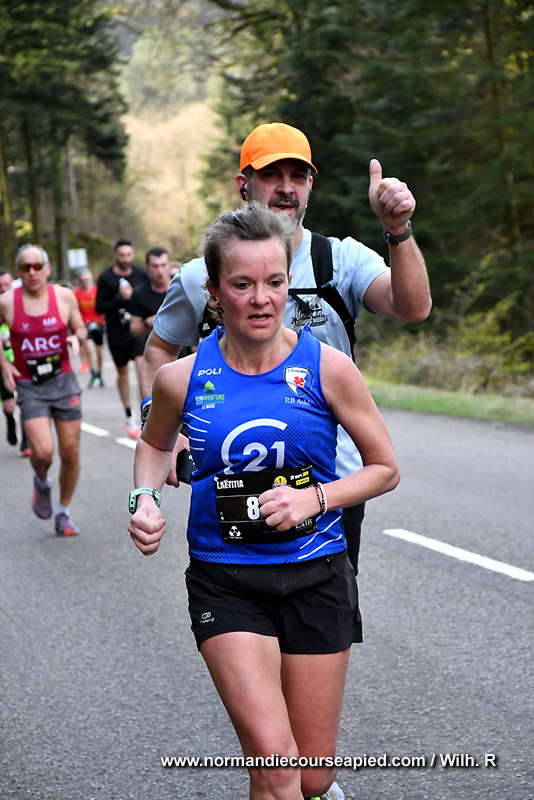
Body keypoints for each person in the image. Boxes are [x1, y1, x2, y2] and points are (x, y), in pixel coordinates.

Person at [128, 204, 400, 800]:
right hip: (226, 581)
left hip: (317, 576)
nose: (260, 299)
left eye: (274, 282)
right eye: (242, 284)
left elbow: (385, 469)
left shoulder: (329, 368)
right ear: (214, 292)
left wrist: (314, 500)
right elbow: (153, 445)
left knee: (313, 776)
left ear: (288, 283)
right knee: (276, 767)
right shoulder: (180, 378)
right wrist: (143, 498)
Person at [139, 122, 431, 575]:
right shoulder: (201, 277)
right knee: (235, 601)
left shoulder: (340, 260)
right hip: (230, 476)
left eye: (298, 176)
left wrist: (397, 229)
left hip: (330, 482)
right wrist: (160, 423)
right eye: (272, 175)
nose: (286, 188)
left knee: (322, 609)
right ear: (244, 184)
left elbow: (413, 307)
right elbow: (159, 349)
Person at [0, 245, 87, 536]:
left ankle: (63, 511)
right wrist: (4, 365)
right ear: (18, 272)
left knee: (70, 452)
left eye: (38, 266)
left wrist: (76, 339)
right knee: (43, 451)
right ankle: (41, 479)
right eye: (26, 267)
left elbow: (80, 327)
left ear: (47, 268)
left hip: (63, 381)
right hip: (30, 386)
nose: (32, 272)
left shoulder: (64, 297)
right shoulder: (6, 302)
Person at [96, 238, 148, 438]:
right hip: (116, 332)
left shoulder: (141, 275)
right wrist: (119, 298)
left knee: (141, 369)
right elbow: (99, 307)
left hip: (138, 330)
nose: (125, 259)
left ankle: (145, 414)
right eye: (122, 255)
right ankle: (128, 412)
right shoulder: (106, 277)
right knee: (123, 373)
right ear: (115, 256)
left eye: (128, 255)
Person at [0, 269, 30, 455]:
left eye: (7, 285)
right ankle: (10, 422)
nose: (3, 289)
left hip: (23, 362)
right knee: (9, 405)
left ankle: (26, 442)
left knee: (27, 401)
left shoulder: (20, 304)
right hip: (3, 365)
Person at [74, 268, 105, 388]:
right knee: (89, 348)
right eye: (82, 279)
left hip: (98, 324)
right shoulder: (76, 294)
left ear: (90, 279)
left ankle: (100, 374)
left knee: (100, 352)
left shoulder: (97, 291)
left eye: (86, 279)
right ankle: (93, 374)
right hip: (85, 326)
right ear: (79, 280)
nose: (84, 281)